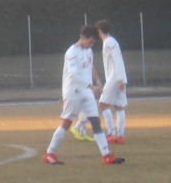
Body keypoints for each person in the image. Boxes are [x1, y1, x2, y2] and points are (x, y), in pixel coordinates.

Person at [43, 25, 124, 165]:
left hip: (87, 93)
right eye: (90, 42)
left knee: (95, 122)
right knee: (66, 123)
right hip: (74, 92)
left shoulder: (88, 51)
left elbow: (90, 66)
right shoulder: (71, 53)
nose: (91, 45)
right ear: (82, 37)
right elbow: (73, 74)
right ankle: (50, 153)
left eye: (93, 43)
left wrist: (98, 81)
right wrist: (89, 86)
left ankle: (106, 155)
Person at [96, 19, 128, 144]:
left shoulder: (109, 42)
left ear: (100, 30)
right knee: (118, 106)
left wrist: (120, 79)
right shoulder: (111, 41)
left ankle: (112, 133)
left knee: (103, 104)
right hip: (116, 77)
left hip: (114, 78)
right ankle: (120, 136)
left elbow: (117, 60)